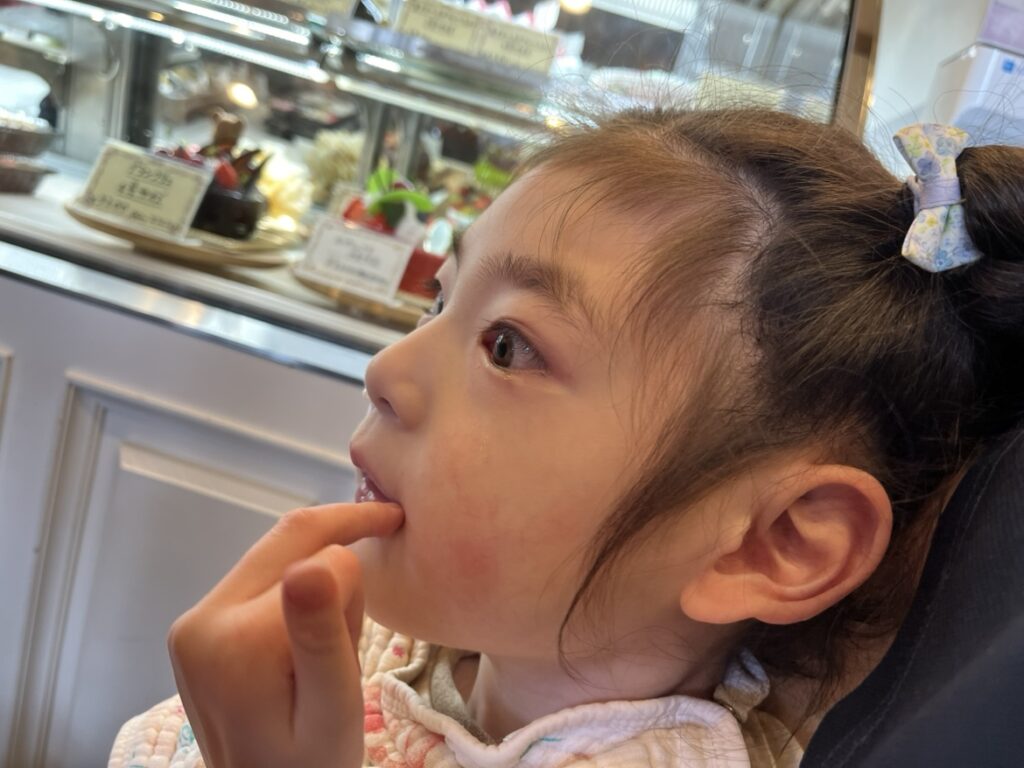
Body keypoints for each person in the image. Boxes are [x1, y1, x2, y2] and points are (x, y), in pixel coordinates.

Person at [107, 109, 1024, 768]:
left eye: (508, 346)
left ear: (774, 543)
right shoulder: (419, 640)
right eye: (437, 300)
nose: (386, 369)